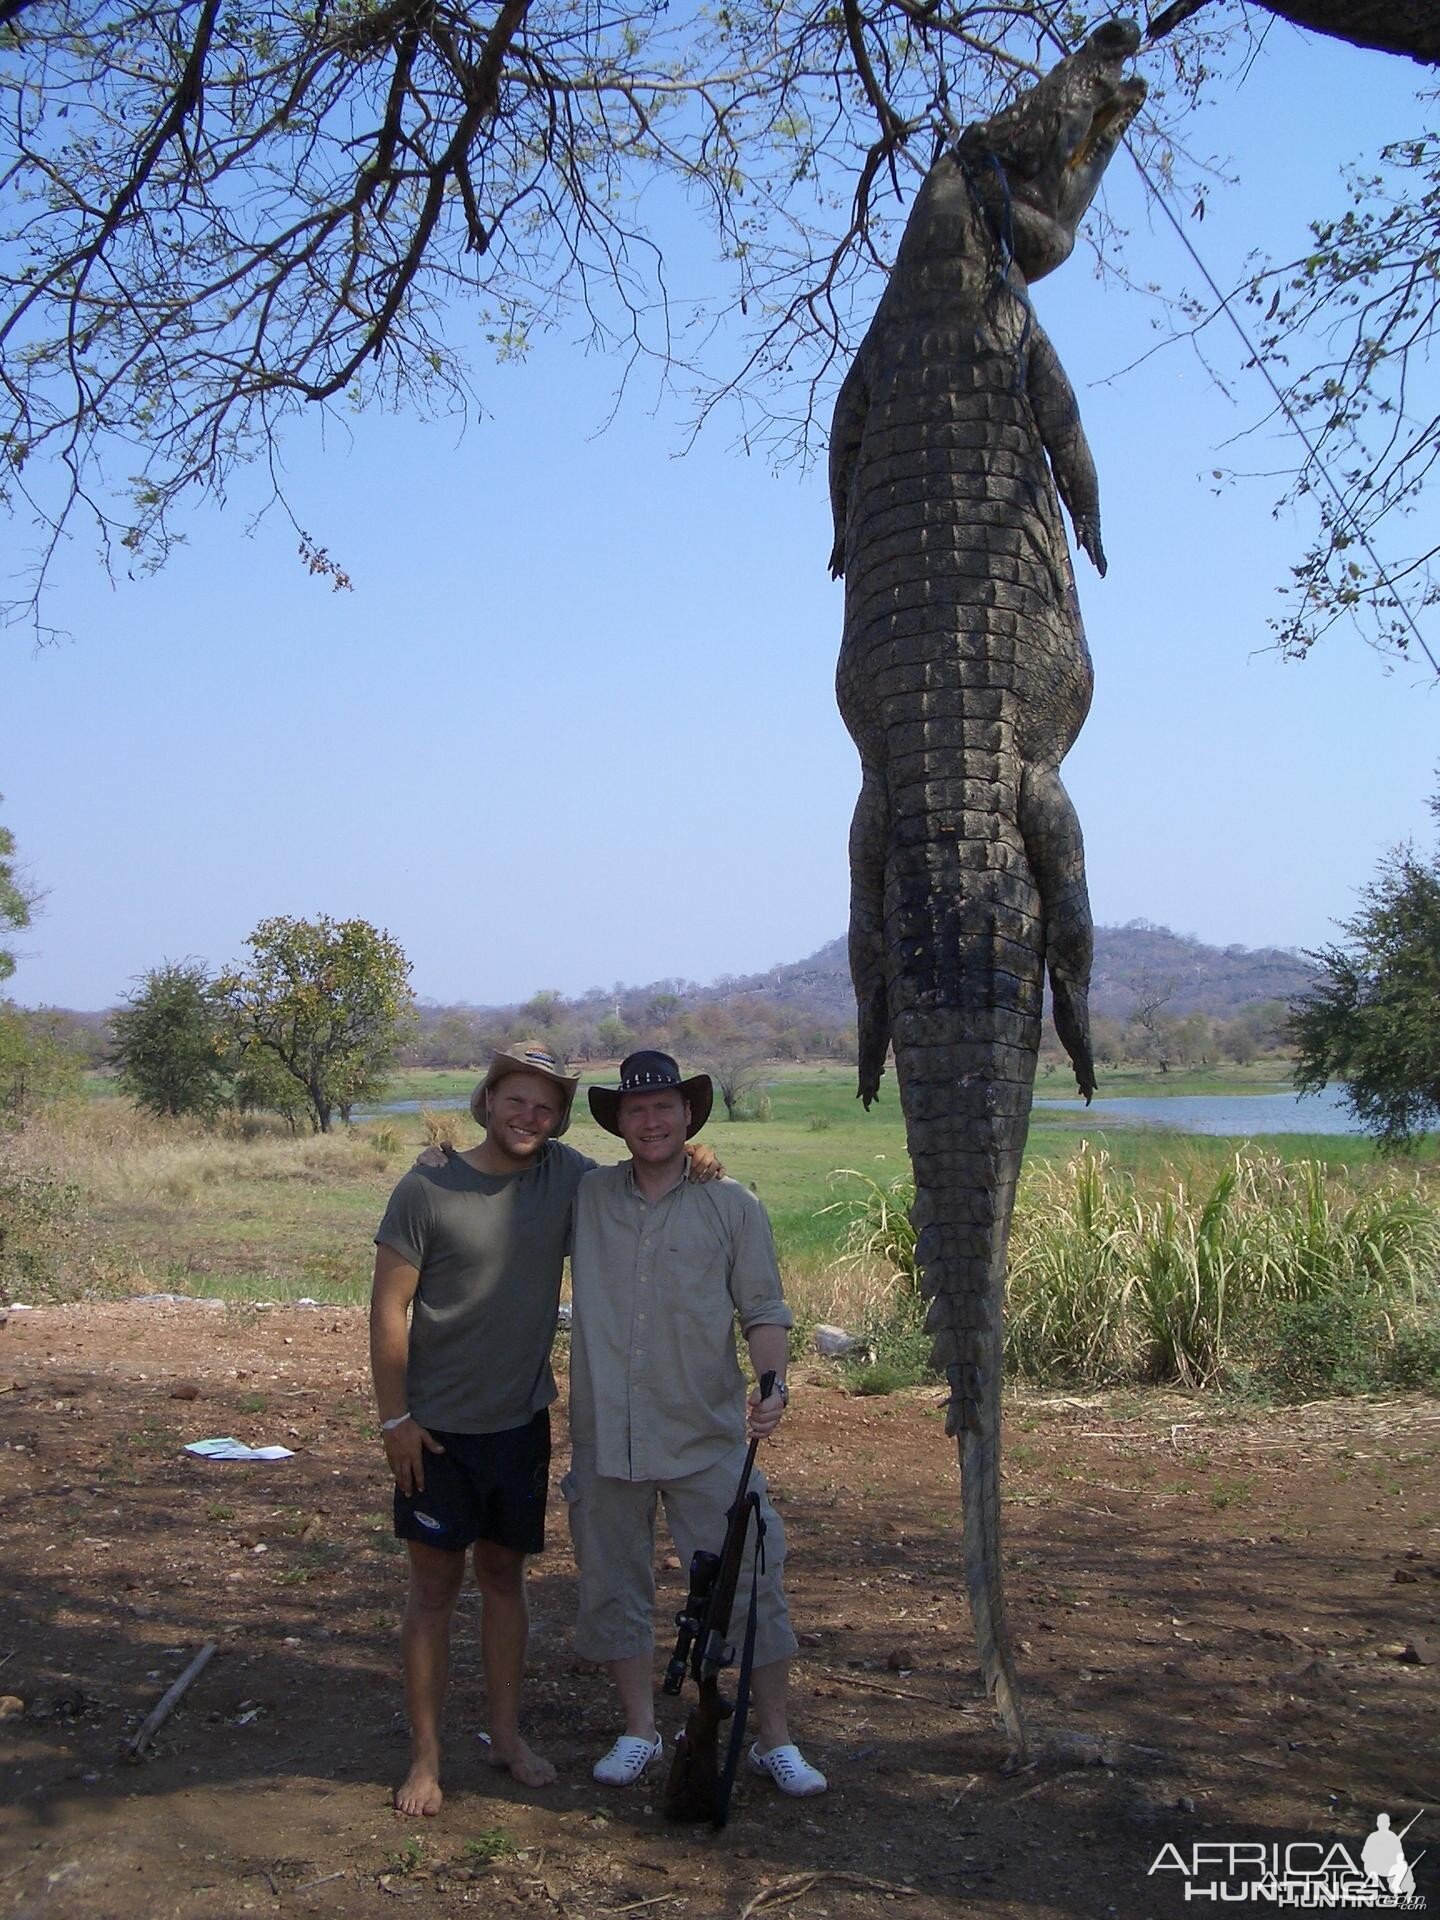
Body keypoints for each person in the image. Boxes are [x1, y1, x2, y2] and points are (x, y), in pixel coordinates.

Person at [370, 1039, 720, 1818]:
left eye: (544, 1106)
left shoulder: (567, 1180)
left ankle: (504, 1736)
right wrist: (394, 1417)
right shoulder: (428, 1185)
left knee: (504, 1578)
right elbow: (388, 1307)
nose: (528, 1116)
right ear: (487, 1101)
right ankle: (425, 1757)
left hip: (519, 1424)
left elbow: (639, 1179)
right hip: (433, 1430)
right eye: (515, 1100)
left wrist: (696, 1160)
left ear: (560, 1120)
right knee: (432, 1590)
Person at [564, 1049, 827, 1797]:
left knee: (752, 1580)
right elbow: (515, 1156)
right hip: (606, 1434)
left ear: (688, 1116)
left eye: (664, 1107)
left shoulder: (731, 1204)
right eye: (635, 1109)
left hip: (707, 1437)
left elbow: (765, 1310)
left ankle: (772, 1738)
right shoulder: (585, 1196)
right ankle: (639, 1729)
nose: (650, 1120)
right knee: (614, 1585)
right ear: (618, 1123)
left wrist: (773, 1383)